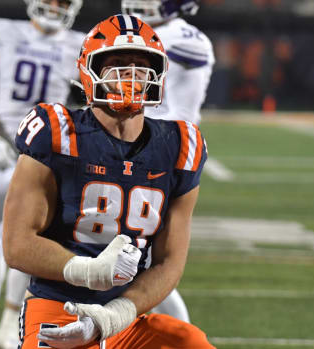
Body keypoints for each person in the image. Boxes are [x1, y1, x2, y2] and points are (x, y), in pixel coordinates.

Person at [4, 14, 214, 348]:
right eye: (116, 64)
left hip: (123, 318)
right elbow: (17, 245)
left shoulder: (181, 145)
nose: (130, 75)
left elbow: (169, 262)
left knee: (189, 341)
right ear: (88, 72)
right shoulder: (57, 133)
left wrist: (115, 314)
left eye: (140, 66)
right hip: (57, 309)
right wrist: (89, 270)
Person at [0, 1, 84, 348]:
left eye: (64, 1)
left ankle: (9, 321)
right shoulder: (4, 30)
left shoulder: (81, 43)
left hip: (44, 159)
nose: (55, 6)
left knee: (27, 242)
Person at [121, 0, 214, 322]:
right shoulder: (152, 34)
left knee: (147, 263)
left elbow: (142, 56)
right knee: (136, 260)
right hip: (145, 150)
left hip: (164, 153)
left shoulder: (186, 37)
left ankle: (181, 336)